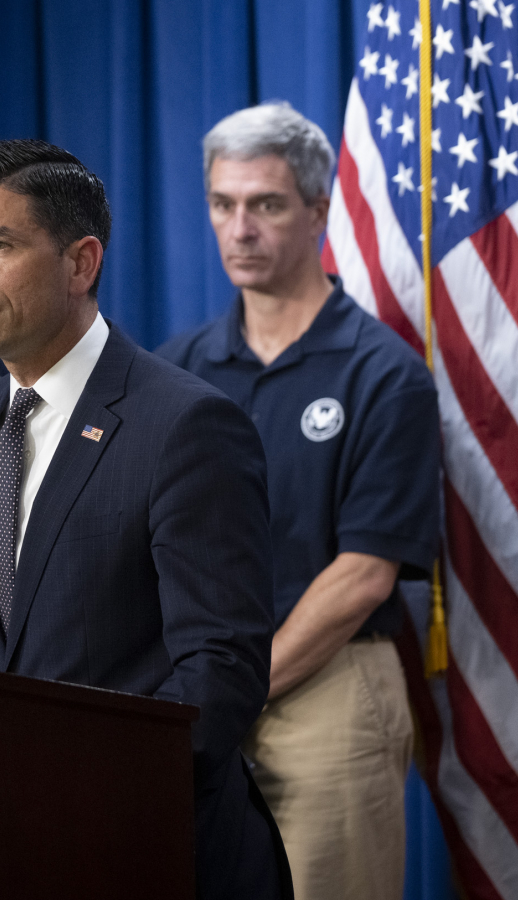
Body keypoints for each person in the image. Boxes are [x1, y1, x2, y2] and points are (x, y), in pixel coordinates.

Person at [0, 139, 287, 899]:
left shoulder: (185, 424)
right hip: (8, 844)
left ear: (81, 263)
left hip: (147, 847)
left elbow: (220, 673)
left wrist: (82, 795)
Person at [156, 102, 439, 900]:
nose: (240, 228)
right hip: (196, 696)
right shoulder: (178, 370)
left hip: (328, 692)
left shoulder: (384, 374)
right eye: (223, 204)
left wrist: (233, 688)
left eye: (267, 205)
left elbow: (365, 574)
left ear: (318, 211)